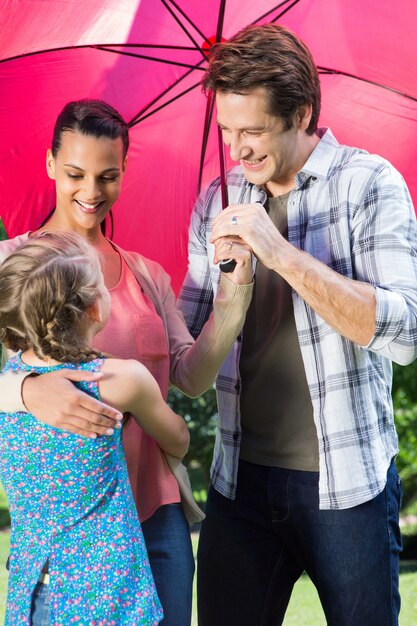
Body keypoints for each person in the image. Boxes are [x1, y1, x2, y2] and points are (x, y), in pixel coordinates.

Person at [175, 24, 417, 626]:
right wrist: (233, 293)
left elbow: (407, 332)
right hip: (239, 482)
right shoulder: (216, 202)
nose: (237, 150)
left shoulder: (369, 184)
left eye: (252, 131)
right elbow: (189, 371)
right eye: (227, 131)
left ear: (301, 112)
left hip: (348, 485)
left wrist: (279, 252)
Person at [0, 100, 253, 626]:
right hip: (64, 527)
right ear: (49, 164)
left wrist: (235, 290)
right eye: (75, 173)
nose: (91, 192)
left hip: (155, 512)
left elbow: (191, 375)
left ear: (124, 172)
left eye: (107, 176)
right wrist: (26, 389)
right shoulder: (13, 264)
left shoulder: (146, 275)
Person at [0, 230, 190, 624]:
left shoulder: (12, 378)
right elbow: (178, 438)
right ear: (95, 310)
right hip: (107, 597)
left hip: (36, 593)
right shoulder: (122, 380)